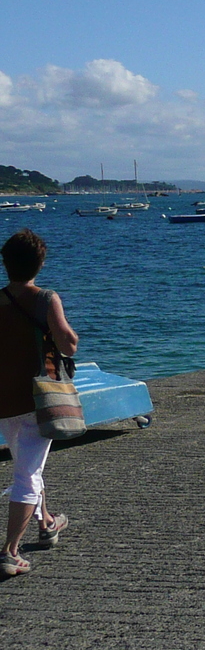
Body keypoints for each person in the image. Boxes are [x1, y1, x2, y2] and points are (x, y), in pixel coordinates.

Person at [1, 229, 77, 578]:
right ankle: (9, 552)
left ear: (6, 264)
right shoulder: (46, 298)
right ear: (40, 264)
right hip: (37, 398)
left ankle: (47, 522)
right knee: (27, 474)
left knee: (28, 463)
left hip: (4, 399)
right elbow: (67, 345)